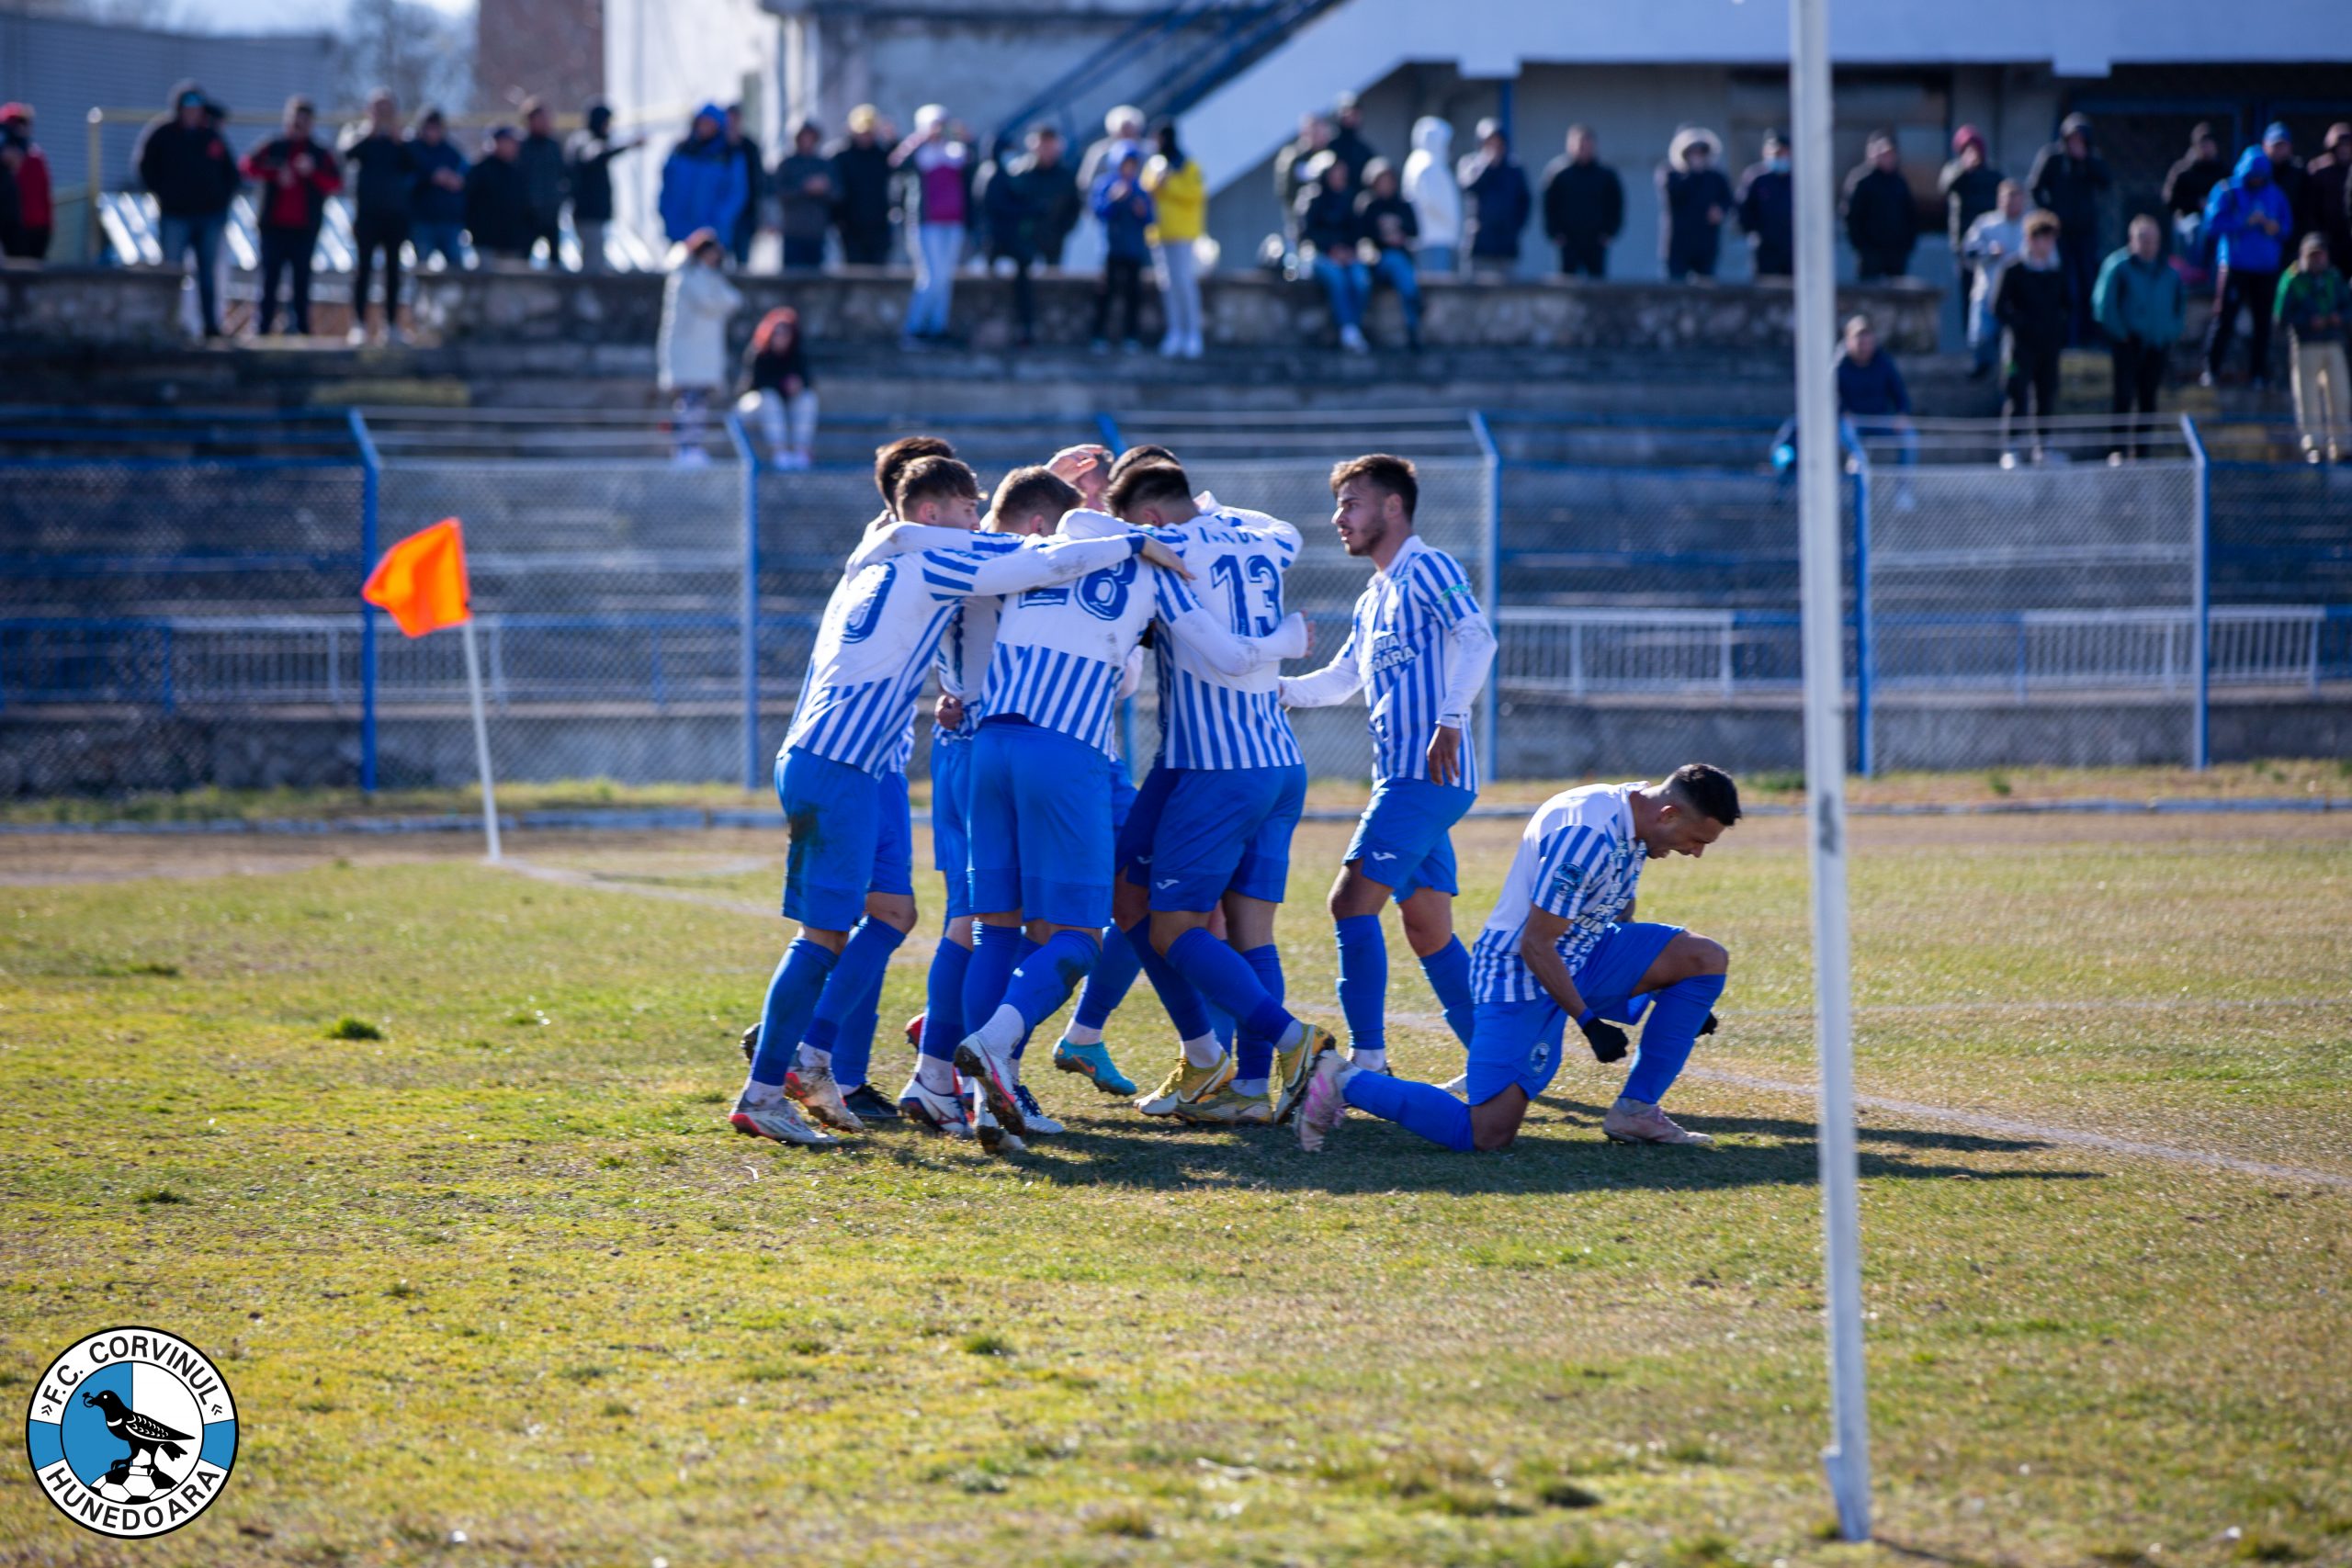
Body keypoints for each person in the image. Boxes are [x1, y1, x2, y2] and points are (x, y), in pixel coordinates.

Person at [727, 458, 1184, 1148]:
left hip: (867, 761)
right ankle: (769, 1086)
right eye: (969, 510)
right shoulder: (934, 561)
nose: (976, 523)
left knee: (894, 914)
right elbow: (1044, 558)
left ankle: (826, 1056)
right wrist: (1131, 541)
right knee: (837, 934)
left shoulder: (879, 549)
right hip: (844, 760)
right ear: (935, 514)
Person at [950, 488, 1301, 1156]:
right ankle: (995, 1044)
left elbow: (948, 554)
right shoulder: (1154, 567)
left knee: (995, 931)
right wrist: (1289, 637)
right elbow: (1228, 658)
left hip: (987, 744)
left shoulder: (1041, 547)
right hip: (1066, 750)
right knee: (1081, 937)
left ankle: (989, 1103)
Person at [1295, 765, 1742, 1154]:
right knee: (1487, 1134)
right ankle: (1343, 1080)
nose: (1695, 852)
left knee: (1702, 959)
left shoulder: (1637, 811)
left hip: (1583, 951)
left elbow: (1613, 907)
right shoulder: (1587, 836)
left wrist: (1674, 994)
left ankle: (1636, 1111)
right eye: (1696, 839)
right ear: (1669, 814)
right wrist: (1588, 1022)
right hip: (1521, 971)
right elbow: (1536, 945)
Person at [1101, 461, 1336, 1128]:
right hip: (1277, 761)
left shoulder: (1166, 556)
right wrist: (1287, 637)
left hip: (1216, 765)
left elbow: (1230, 656)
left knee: (1173, 928)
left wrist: (1282, 643)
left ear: (1148, 521)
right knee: (1236, 926)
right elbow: (1288, 530)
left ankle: (1294, 1040)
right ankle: (1244, 1082)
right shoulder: (1255, 536)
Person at [1277, 455, 1496, 1088]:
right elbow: (1343, 678)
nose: (1337, 517)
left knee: (1349, 902)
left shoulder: (1429, 567)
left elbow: (1478, 637)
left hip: (1424, 779)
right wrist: (1271, 689)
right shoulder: (1376, 593)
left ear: (1392, 507)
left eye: (1351, 503)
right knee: (1427, 927)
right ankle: (1495, 1061)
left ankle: (1369, 1060)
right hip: (1399, 780)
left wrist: (1450, 717)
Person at [133, 82, 240, 338]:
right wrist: (165, 195)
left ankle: (210, 328)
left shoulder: (211, 135)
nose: (193, 111)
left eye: (197, 106)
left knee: (207, 275)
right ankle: (169, 326)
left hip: (209, 217)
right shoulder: (162, 133)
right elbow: (145, 168)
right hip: (175, 216)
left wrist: (219, 202)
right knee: (171, 274)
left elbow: (231, 175)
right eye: (188, 106)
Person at [241, 96, 342, 337]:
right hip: (273, 227)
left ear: (311, 124)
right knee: (268, 281)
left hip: (305, 229)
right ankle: (263, 328)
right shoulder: (273, 146)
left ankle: (302, 330)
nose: (299, 125)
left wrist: (312, 173)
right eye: (295, 120)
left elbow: (336, 182)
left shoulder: (319, 153)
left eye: (304, 121)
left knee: (302, 283)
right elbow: (246, 166)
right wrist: (276, 173)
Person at [2093, 215, 2187, 457]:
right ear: (2131, 239)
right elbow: (2104, 305)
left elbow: (2179, 306)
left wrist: (2170, 332)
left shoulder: (2168, 271)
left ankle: (2142, 452)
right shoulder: (2118, 266)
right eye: (2143, 239)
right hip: (2127, 342)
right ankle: (2117, 450)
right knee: (2123, 395)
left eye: (2153, 240)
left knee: (2148, 398)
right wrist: (2122, 334)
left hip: (2157, 344)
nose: (2148, 245)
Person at [979, 125, 1080, 346]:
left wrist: (1060, 231)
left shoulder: (1064, 175)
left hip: (1052, 242)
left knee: (1051, 289)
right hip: (1023, 242)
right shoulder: (1018, 173)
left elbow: (1074, 208)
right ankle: (1024, 330)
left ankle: (1051, 332)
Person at [2202, 149, 2293, 389]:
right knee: (2224, 319)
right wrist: (2244, 222)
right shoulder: (2226, 191)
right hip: (2235, 266)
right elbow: (2211, 224)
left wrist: (2273, 227)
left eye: (2260, 176)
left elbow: (2287, 228)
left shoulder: (2275, 194)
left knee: (2263, 323)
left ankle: (2259, 374)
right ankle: (2211, 368)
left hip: (2266, 268)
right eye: (2252, 175)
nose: (2256, 180)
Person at [657, 229, 743, 464]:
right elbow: (710, 302)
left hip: (703, 355)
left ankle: (692, 446)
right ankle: (685, 448)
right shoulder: (686, 278)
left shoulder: (711, 278)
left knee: (699, 404)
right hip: (688, 354)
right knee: (689, 404)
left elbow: (734, 300)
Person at [893, 105, 974, 347]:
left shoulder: (955, 152)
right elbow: (898, 164)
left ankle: (938, 327)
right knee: (931, 277)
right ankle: (914, 328)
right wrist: (920, 137)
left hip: (954, 221)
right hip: (926, 222)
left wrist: (966, 138)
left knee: (945, 277)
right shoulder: (920, 153)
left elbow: (975, 164)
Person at [2027, 113, 2110, 345]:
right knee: (2066, 287)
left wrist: (2086, 161)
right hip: (2059, 235)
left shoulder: (2091, 160)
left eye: (2080, 138)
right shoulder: (2051, 158)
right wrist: (2050, 215)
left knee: (2087, 284)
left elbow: (2106, 182)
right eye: (2071, 138)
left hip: (2085, 234)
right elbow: (2035, 187)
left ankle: (2089, 338)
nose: (2075, 143)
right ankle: (2067, 339)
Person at [1994, 211, 2071, 460]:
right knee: (2016, 394)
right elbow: (1998, 307)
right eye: (2041, 238)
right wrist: (2020, 325)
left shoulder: (2056, 272)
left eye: (2050, 239)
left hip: (2047, 346)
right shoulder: (2014, 269)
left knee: (2046, 395)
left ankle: (2043, 448)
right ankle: (2012, 448)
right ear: (2030, 239)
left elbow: (2067, 304)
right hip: (2018, 347)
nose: (2046, 245)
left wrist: (2057, 331)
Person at [339, 91, 413, 344]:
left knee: (394, 272)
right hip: (367, 215)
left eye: (388, 109)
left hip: (395, 216)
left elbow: (415, 164)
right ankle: (358, 324)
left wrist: (399, 140)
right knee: (363, 271)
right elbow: (346, 155)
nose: (383, 115)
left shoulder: (401, 139)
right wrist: (370, 133)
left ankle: (391, 325)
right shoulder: (357, 134)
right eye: (378, 109)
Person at [2275, 233, 2350, 463]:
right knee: (2307, 396)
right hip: (2306, 344)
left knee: (2340, 395)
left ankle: (2342, 445)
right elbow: (2281, 315)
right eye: (2313, 255)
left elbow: (2347, 306)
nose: (2318, 260)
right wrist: (2307, 321)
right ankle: (2313, 444)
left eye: (2321, 254)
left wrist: (2340, 318)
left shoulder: (2334, 277)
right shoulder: (2293, 279)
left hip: (2333, 342)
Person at [1295, 151, 1368, 352]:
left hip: (1346, 255)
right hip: (1318, 255)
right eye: (1336, 173)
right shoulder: (1312, 198)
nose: (1340, 178)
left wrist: (1347, 251)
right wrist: (1331, 249)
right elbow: (1306, 233)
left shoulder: (1348, 198)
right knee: (1337, 278)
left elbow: (1355, 231)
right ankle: (1347, 329)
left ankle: (1353, 326)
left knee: (1360, 279)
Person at [1145, 122, 1205, 358]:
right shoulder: (1154, 164)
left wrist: (1168, 185)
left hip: (1183, 232)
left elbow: (1196, 193)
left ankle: (1193, 332)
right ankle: (1175, 331)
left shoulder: (1188, 164)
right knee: (1167, 285)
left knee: (1184, 282)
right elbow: (1146, 188)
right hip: (1160, 233)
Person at [1090, 141, 1153, 354]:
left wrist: (1141, 211)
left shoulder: (1140, 188)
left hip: (1134, 249)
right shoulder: (1105, 185)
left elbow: (1149, 219)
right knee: (1106, 293)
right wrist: (1114, 200)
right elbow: (1099, 212)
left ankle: (1131, 336)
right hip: (1112, 248)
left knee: (1133, 295)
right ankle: (1098, 335)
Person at [1961, 179, 2028, 379]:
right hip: (1988, 293)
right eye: (2007, 199)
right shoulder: (1985, 224)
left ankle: (2009, 378)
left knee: (2012, 346)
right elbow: (1967, 252)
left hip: (2017, 299)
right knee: (1982, 338)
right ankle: (1982, 375)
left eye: (2016, 200)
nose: (2011, 204)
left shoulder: (2030, 225)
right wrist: (1989, 252)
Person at [659, 105, 748, 251]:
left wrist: (717, 225)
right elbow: (667, 187)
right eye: (702, 122)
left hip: (712, 237)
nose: (704, 127)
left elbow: (736, 193)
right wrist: (668, 217)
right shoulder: (681, 151)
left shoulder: (729, 156)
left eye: (709, 123)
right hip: (679, 232)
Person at [1356, 159, 1424, 350]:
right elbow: (1360, 237)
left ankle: (1413, 326)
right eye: (1381, 181)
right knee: (1393, 264)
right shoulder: (1367, 205)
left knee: (1401, 268)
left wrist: (1400, 237)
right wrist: (1383, 240)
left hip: (1400, 260)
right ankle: (1361, 323)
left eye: (1389, 180)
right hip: (1374, 261)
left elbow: (1414, 231)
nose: (1386, 185)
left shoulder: (1402, 205)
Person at [738, 307, 817, 469]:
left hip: (783, 407)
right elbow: (755, 384)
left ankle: (800, 451)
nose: (781, 338)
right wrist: (782, 385)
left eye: (786, 334)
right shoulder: (758, 353)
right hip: (751, 406)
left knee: (807, 398)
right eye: (777, 333)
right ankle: (779, 452)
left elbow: (809, 380)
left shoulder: (796, 355)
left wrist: (798, 384)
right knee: (769, 398)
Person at [1542, 125, 1623, 279]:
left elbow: (1616, 205)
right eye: (1579, 145)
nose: (1582, 149)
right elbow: (1548, 206)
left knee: (1597, 286)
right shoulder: (1558, 173)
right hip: (1568, 240)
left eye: (1586, 145)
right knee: (1566, 284)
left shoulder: (1606, 175)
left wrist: (1609, 232)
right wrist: (1555, 233)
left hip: (1595, 240)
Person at [1834, 313, 1916, 467]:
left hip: (1879, 421)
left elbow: (1900, 394)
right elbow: (1832, 397)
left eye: (1867, 342)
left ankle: (1904, 490)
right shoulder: (1839, 366)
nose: (1864, 347)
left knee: (1909, 434)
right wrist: (1843, 412)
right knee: (1849, 438)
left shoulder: (1883, 363)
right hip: (1853, 423)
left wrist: (1902, 414)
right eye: (1859, 342)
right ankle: (1858, 471)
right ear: (1849, 341)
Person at [565, 101, 637, 274]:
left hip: (596, 215)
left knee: (597, 261)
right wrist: (627, 145)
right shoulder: (584, 140)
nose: (608, 128)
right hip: (588, 215)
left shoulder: (588, 139)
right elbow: (595, 154)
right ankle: (585, 300)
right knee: (592, 267)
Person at [1939, 126, 2002, 320]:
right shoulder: (1954, 171)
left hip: (1991, 245)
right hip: (1964, 245)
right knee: (1967, 293)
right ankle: (1970, 338)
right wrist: (1965, 168)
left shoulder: (1992, 175)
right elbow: (1946, 187)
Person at [1457, 118, 1530, 279]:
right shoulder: (1470, 164)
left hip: (1507, 245)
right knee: (1475, 294)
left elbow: (1525, 202)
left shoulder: (1514, 169)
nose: (1494, 147)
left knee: (1507, 294)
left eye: (1498, 142)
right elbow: (1469, 187)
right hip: (1479, 243)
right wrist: (1487, 165)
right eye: (1489, 142)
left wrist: (1515, 227)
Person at [1658, 127, 1732, 281]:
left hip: (1706, 244)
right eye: (1693, 152)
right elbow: (1673, 196)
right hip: (1678, 245)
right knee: (1675, 287)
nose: (1697, 156)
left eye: (1701, 152)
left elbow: (1728, 200)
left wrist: (1720, 210)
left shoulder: (1716, 177)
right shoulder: (1671, 175)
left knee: (1707, 286)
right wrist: (1692, 173)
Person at [1842, 131, 1917, 280]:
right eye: (1883, 153)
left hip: (1896, 256)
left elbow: (1911, 216)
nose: (1887, 158)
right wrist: (1863, 248)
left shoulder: (1899, 182)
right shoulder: (1861, 180)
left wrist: (1906, 247)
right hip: (1870, 256)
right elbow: (1851, 217)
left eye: (1890, 154)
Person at [830, 106, 895, 265]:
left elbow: (901, 163)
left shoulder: (882, 155)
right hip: (849, 225)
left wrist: (893, 140)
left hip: (878, 224)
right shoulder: (840, 156)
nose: (866, 136)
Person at [407, 108, 469, 270]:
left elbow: (464, 178)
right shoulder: (412, 150)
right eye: (429, 127)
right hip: (422, 220)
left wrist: (454, 181)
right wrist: (430, 178)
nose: (433, 132)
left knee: (456, 269)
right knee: (421, 268)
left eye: (437, 127)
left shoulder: (451, 151)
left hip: (449, 220)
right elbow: (405, 181)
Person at [464, 126, 535, 267]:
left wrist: (526, 239)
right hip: (486, 243)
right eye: (507, 142)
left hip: (514, 244)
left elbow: (526, 207)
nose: (512, 146)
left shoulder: (519, 170)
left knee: (511, 287)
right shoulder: (481, 168)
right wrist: (475, 232)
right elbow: (468, 203)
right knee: (486, 286)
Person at [2164, 123, 2227, 277]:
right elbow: (2170, 199)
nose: (2206, 149)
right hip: (2188, 218)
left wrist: (2212, 207)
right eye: (2202, 145)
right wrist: (2196, 203)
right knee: (2197, 227)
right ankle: (2194, 274)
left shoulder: (2223, 171)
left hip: (2215, 218)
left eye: (2209, 144)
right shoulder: (2183, 170)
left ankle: (2214, 275)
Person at [770, 118, 832, 272]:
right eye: (804, 137)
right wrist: (804, 188)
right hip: (793, 232)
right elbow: (779, 192)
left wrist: (823, 188)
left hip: (816, 232)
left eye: (810, 137)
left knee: (816, 280)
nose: (807, 141)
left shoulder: (824, 164)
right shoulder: (787, 165)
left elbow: (838, 193)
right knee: (791, 279)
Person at [1402, 116, 1460, 275]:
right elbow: (1431, 201)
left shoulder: (1429, 163)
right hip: (1433, 239)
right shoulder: (1426, 165)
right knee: (1436, 285)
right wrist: (1451, 220)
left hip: (1441, 238)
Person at [1735, 131, 1794, 278]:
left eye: (1785, 152)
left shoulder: (1798, 177)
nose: (1781, 156)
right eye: (1777, 152)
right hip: (1765, 247)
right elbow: (1743, 210)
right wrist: (1757, 232)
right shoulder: (1756, 177)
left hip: (1793, 247)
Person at [516, 98, 568, 269]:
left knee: (555, 264)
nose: (547, 123)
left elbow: (564, 175)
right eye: (542, 119)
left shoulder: (553, 146)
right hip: (526, 217)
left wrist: (559, 198)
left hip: (551, 214)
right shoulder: (521, 147)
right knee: (522, 263)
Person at [0, 104, 53, 260]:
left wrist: (48, 225)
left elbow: (45, 194)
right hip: (17, 224)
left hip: (35, 225)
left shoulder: (35, 157)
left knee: (29, 269)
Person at [1273, 112, 1335, 244]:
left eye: (1322, 133)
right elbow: (1286, 191)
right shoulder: (1293, 158)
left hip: (1327, 221)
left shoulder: (1330, 155)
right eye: (1315, 133)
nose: (1320, 137)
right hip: (1300, 221)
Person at [2303, 125, 2352, 276]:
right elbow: (2309, 208)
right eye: (2340, 146)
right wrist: (2317, 236)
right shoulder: (2319, 171)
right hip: (2325, 240)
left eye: (2348, 146)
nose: (2344, 150)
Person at [719, 105, 763, 266]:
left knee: (742, 260)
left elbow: (759, 181)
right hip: (720, 214)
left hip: (746, 214)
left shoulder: (750, 147)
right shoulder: (717, 147)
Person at [2261, 124, 2308, 247]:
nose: (2279, 150)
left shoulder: (2299, 173)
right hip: (2262, 238)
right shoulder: (2256, 173)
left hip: (2292, 237)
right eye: (2276, 145)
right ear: (2265, 145)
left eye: (2283, 145)